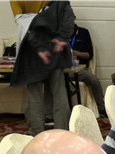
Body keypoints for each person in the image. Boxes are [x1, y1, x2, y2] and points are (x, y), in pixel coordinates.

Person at [10, 1, 74, 136]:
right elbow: (67, 15)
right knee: (59, 94)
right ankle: (62, 134)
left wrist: (39, 47)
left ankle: (37, 135)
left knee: (35, 97)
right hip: (55, 49)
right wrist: (62, 38)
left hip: (32, 52)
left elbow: (25, 25)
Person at [69, 15, 107, 117]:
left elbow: (89, 55)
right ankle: (52, 114)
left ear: (74, 18)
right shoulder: (59, 34)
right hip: (64, 69)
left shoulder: (83, 33)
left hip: (79, 69)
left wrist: (74, 53)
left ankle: (101, 108)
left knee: (93, 80)